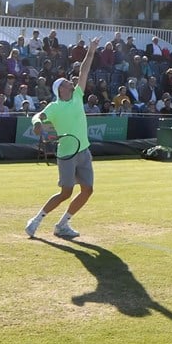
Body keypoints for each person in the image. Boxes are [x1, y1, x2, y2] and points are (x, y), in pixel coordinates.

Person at [25, 34, 99, 239]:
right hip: (66, 153)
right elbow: (38, 116)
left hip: (84, 151)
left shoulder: (77, 96)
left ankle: (62, 224)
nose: (71, 83)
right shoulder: (54, 106)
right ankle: (36, 220)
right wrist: (37, 123)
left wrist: (91, 50)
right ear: (61, 90)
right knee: (65, 192)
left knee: (87, 190)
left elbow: (84, 70)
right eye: (67, 83)